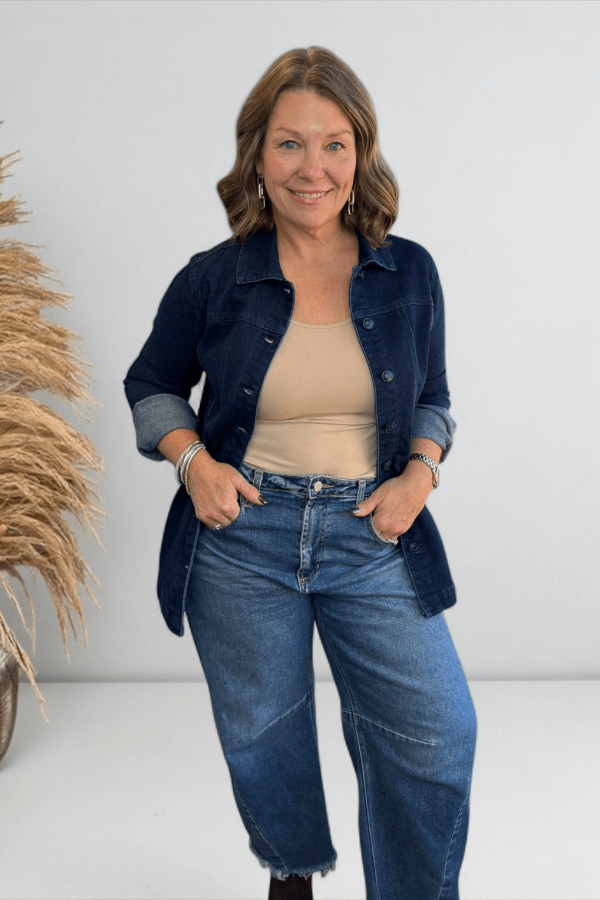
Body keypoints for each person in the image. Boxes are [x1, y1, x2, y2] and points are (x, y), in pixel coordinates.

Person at [124, 46, 477, 900]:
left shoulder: (409, 271)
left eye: (333, 144)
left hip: (373, 531)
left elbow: (432, 398)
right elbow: (151, 387)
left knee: (437, 732)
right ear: (256, 154)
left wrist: (421, 475)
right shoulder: (216, 277)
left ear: (361, 154)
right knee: (264, 732)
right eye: (288, 144)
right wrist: (194, 464)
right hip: (242, 536)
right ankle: (291, 871)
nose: (310, 168)